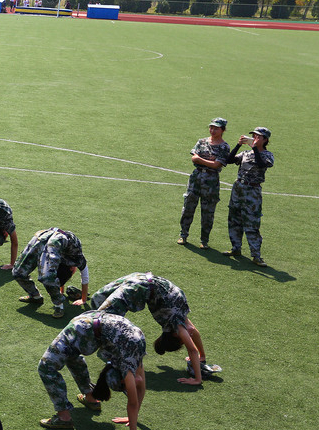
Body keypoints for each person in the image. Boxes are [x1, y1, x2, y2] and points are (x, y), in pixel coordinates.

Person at [90, 272, 215, 385]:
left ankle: (97, 336)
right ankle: (107, 349)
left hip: (141, 277)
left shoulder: (180, 315)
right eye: (184, 338)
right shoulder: (177, 324)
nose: (189, 335)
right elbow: (192, 350)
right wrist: (197, 379)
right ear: (175, 335)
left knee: (97, 299)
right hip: (138, 286)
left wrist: (202, 356)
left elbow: (194, 332)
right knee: (103, 317)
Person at [37, 311, 147, 430]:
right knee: (46, 366)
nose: (131, 385)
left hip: (96, 326)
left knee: (70, 353)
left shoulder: (135, 348)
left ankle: (91, 397)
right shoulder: (127, 364)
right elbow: (133, 402)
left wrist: (132, 418)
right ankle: (64, 417)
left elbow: (140, 385)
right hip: (83, 327)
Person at [224, 127, 275, 267]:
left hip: (252, 191)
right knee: (234, 218)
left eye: (258, 136)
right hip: (238, 188)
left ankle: (256, 256)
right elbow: (228, 160)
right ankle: (236, 248)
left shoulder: (267, 155)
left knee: (252, 223)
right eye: (254, 136)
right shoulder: (245, 153)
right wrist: (238, 145)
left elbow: (261, 164)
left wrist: (255, 149)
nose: (255, 138)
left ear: (265, 140)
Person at [12, 227, 88, 318]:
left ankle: (59, 305)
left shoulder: (73, 259)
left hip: (47, 236)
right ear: (72, 268)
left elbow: (62, 275)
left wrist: (82, 299)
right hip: (47, 237)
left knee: (47, 277)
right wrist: (83, 299)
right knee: (18, 272)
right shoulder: (78, 258)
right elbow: (84, 278)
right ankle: (35, 297)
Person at [178, 117, 230, 249]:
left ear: (223, 130)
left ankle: (204, 240)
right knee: (188, 206)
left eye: (216, 128)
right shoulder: (201, 142)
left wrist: (201, 160)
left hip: (211, 181)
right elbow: (193, 159)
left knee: (208, 212)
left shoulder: (224, 147)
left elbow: (217, 164)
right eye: (211, 127)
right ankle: (183, 235)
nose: (213, 130)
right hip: (196, 178)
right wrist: (207, 162)